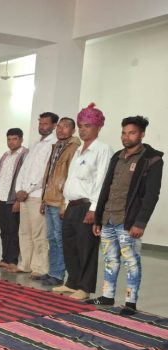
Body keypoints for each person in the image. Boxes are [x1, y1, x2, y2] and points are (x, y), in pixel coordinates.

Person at [89, 115, 163, 315]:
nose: (126, 137)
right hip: (108, 218)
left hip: (128, 221)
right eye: (124, 133)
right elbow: (107, 187)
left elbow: (151, 195)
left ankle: (130, 302)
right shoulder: (117, 157)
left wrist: (140, 222)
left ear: (142, 134)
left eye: (132, 133)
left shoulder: (152, 159)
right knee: (110, 259)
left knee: (131, 261)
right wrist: (98, 217)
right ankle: (107, 296)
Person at [54, 103, 113, 300]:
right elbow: (70, 179)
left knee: (86, 247)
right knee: (69, 245)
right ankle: (72, 282)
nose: (82, 129)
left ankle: (85, 287)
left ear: (98, 127)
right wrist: (64, 203)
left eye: (87, 126)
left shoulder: (102, 149)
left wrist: (94, 209)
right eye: (80, 126)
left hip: (88, 205)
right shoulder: (79, 150)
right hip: (72, 205)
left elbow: (102, 181)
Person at [11, 112, 58, 277]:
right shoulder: (35, 144)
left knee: (39, 234)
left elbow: (45, 173)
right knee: (24, 232)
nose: (42, 126)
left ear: (54, 126)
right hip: (24, 195)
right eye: (40, 123)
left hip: (37, 195)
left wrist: (28, 190)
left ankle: (40, 268)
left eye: (46, 124)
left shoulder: (53, 144)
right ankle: (25, 264)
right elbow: (24, 169)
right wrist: (18, 189)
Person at [39, 117, 80, 286]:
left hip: (60, 201)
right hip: (50, 198)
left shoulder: (74, 148)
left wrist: (64, 202)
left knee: (59, 238)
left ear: (73, 130)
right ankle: (52, 271)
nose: (61, 129)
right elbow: (49, 175)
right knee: (51, 238)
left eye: (66, 126)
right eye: (59, 126)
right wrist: (43, 199)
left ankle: (58, 275)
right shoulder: (56, 146)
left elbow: (70, 177)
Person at [0, 128, 28, 270]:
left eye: (14, 139)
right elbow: (0, 177)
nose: (11, 142)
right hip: (2, 197)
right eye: (9, 139)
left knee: (14, 231)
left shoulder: (25, 155)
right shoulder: (5, 155)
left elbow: (24, 178)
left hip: (13, 199)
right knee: (4, 231)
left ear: (21, 139)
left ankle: (13, 260)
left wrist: (18, 201)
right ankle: (5, 259)